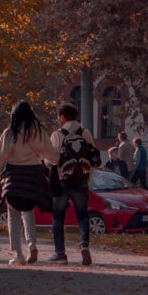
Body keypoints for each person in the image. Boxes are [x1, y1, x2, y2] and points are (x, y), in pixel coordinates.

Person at [0, 100, 54, 265]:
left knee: (13, 214)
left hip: (14, 177)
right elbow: (51, 153)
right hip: (33, 176)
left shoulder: (10, 133)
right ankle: (32, 246)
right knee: (28, 211)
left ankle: (18, 254)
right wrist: (49, 163)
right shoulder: (38, 132)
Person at [49, 105, 103, 265]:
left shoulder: (58, 135)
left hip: (62, 181)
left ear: (63, 117)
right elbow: (94, 157)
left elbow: (50, 160)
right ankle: (84, 245)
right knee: (82, 216)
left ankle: (60, 253)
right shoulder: (85, 133)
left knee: (58, 217)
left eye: (59, 117)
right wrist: (86, 175)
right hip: (81, 182)